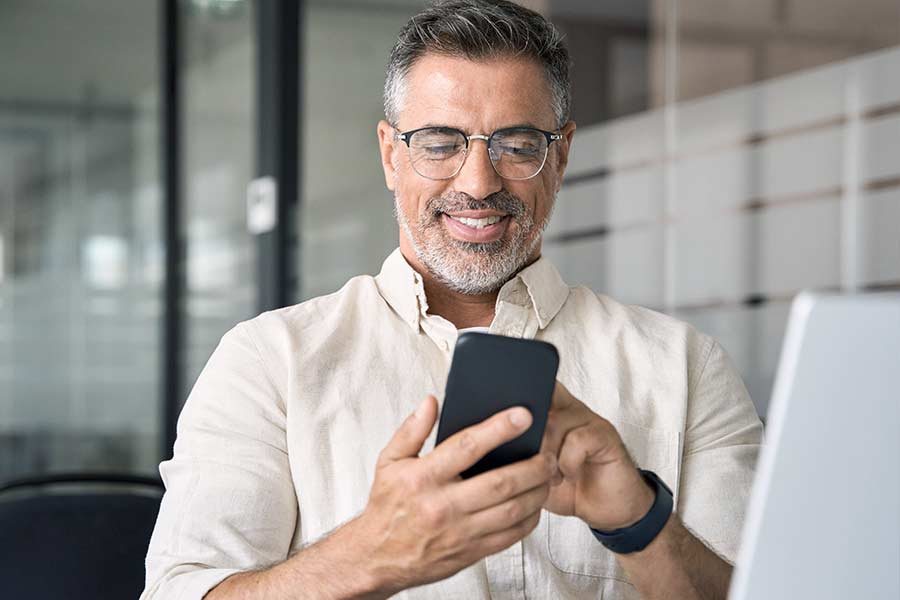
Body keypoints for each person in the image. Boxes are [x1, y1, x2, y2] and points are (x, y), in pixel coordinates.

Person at [141, 1, 763, 598]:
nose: (478, 182)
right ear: (391, 154)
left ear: (562, 155)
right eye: (440, 143)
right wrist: (372, 554)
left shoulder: (684, 366)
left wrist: (638, 520)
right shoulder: (268, 362)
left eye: (517, 145)